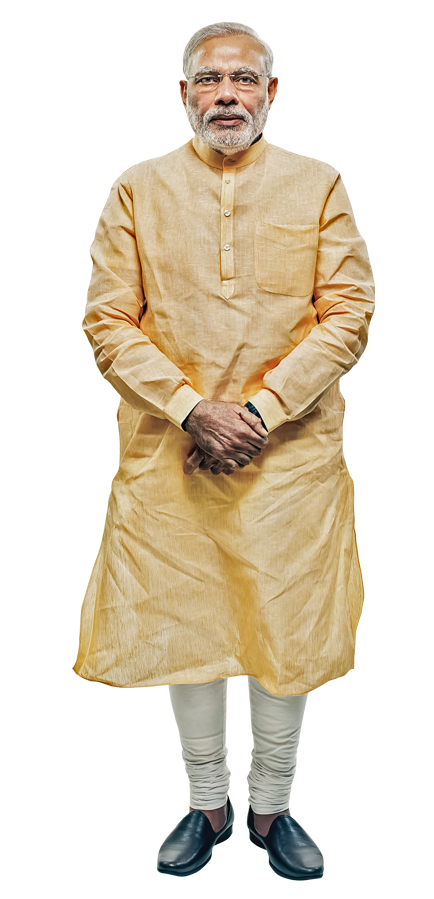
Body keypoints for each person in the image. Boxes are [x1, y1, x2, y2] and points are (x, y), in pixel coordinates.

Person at [72, 21, 375, 880]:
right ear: (184, 94)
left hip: (291, 461)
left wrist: (258, 412)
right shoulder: (138, 190)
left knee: (285, 628)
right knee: (188, 624)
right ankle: (207, 803)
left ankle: (272, 806)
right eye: (209, 79)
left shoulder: (318, 185)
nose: (227, 95)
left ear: (272, 93)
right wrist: (191, 409)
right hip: (171, 456)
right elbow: (108, 321)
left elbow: (348, 312)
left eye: (245, 79)